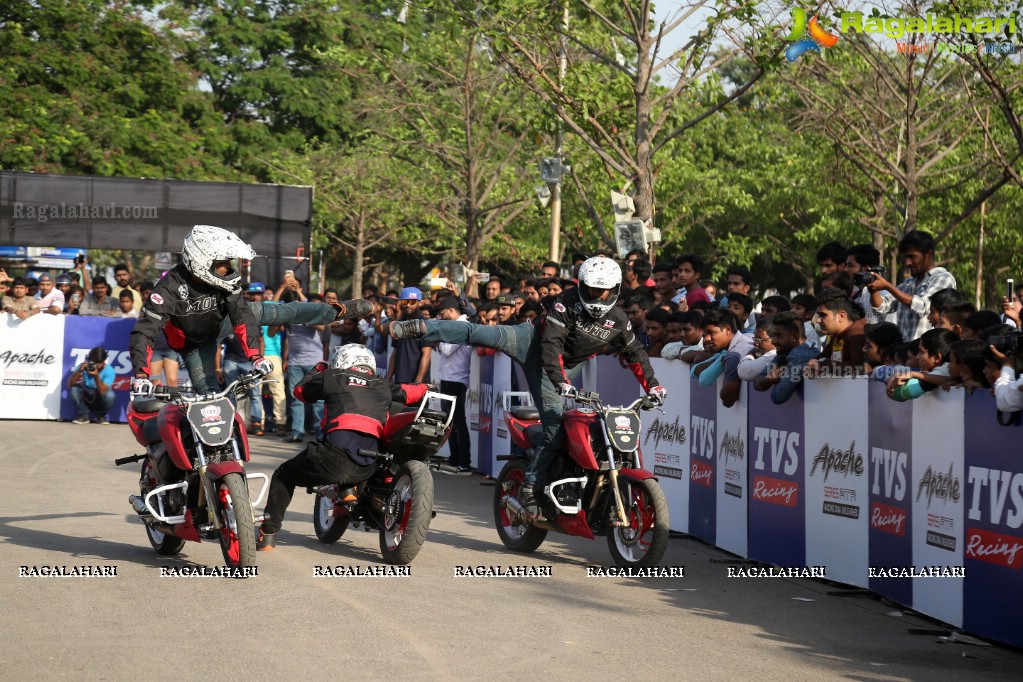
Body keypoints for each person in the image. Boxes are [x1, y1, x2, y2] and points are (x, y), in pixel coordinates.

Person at [389, 256, 665, 515]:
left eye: (602, 291)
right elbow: (550, 344)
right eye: (591, 289)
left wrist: (653, 386)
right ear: (581, 286)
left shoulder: (619, 319)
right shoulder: (565, 301)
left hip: (565, 365)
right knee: (478, 333)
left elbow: (636, 354)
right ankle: (422, 327)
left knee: (563, 425)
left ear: (615, 290)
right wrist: (559, 381)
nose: (597, 296)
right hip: (531, 343)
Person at [129, 224, 370, 398]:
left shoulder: (228, 281)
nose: (230, 268)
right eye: (224, 263)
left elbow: (241, 316)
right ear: (202, 262)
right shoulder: (168, 288)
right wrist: (141, 374)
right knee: (213, 398)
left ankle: (335, 311)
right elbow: (144, 333)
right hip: (195, 345)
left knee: (282, 311)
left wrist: (255, 356)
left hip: (223, 321)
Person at [256, 344, 430, 550]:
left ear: (341, 361)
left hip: (333, 457)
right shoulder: (382, 384)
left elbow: (300, 391)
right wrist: (427, 388)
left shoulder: (333, 376)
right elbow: (411, 392)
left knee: (283, 475)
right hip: (369, 463)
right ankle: (349, 488)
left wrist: (319, 368)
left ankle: (268, 533)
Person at [867, 230, 957, 343]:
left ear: (929, 254)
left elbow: (924, 306)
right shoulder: (907, 283)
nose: (907, 262)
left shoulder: (943, 278)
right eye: (905, 257)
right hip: (906, 354)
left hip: (929, 353)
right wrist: (873, 288)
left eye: (912, 257)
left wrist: (888, 286)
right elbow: (882, 307)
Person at [435, 297, 473, 474]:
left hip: (457, 380)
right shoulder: (454, 326)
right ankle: (454, 459)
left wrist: (439, 336)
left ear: (450, 310)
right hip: (449, 378)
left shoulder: (461, 326)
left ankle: (464, 463)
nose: (440, 318)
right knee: (450, 423)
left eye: (442, 313)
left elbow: (447, 349)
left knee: (459, 422)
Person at [386, 287, 434, 384]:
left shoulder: (425, 324)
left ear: (420, 303)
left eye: (412, 302)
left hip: (417, 383)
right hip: (400, 380)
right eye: (405, 302)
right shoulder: (398, 323)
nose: (408, 305)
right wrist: (387, 380)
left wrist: (417, 382)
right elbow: (395, 353)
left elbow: (427, 355)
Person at [68, 347, 116, 424]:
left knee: (110, 395)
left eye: (99, 363)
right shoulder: (84, 366)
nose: (96, 365)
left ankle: (101, 416)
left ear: (104, 361)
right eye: (94, 362)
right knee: (74, 389)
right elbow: (70, 384)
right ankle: (83, 416)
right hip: (86, 394)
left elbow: (103, 391)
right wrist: (79, 371)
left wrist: (96, 376)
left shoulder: (109, 370)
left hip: (99, 396)